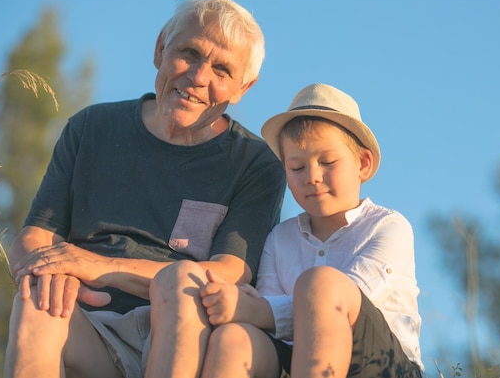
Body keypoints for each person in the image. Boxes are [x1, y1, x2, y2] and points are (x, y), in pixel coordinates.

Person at [4, 0, 286, 378]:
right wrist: (54, 274)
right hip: (90, 323)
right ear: (160, 49)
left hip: (188, 334)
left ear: (243, 88)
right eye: (189, 52)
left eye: (222, 71)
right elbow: (33, 239)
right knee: (37, 298)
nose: (198, 77)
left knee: (183, 281)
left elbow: (227, 273)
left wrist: (89, 265)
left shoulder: (256, 164)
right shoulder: (92, 128)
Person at [157, 82, 424, 377]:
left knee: (322, 284)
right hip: (296, 361)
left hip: (381, 365)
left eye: (327, 162)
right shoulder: (279, 239)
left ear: (362, 163)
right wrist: (250, 308)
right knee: (233, 339)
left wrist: (257, 310)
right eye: (297, 168)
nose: (312, 177)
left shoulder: (388, 227)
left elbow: (344, 299)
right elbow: (267, 317)